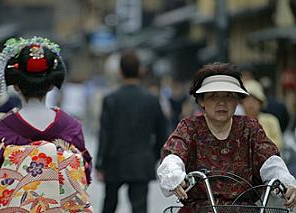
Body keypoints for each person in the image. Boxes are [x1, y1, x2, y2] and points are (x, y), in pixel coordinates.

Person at [0, 37, 93, 212]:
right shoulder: (70, 126)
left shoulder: (3, 128)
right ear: (51, 85)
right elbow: (84, 174)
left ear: (17, 86)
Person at [157, 63, 296, 213]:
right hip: (200, 209)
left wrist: (286, 181)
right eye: (213, 96)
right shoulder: (189, 127)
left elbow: (270, 160)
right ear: (201, 101)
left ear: (237, 101)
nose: (221, 103)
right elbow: (174, 155)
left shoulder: (249, 128)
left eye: (229, 96)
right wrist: (174, 175)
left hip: (244, 208)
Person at [95, 49, 167, 213]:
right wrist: (154, 155)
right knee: (139, 207)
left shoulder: (110, 100)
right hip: (141, 160)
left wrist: (100, 163)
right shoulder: (152, 100)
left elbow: (104, 134)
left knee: (109, 205)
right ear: (140, 71)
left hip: (115, 160)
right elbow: (162, 133)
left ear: (120, 72)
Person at [241, 79, 283, 150]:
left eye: (254, 100)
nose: (251, 103)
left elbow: (279, 143)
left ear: (261, 103)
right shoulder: (236, 122)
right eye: (247, 99)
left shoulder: (271, 120)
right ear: (242, 103)